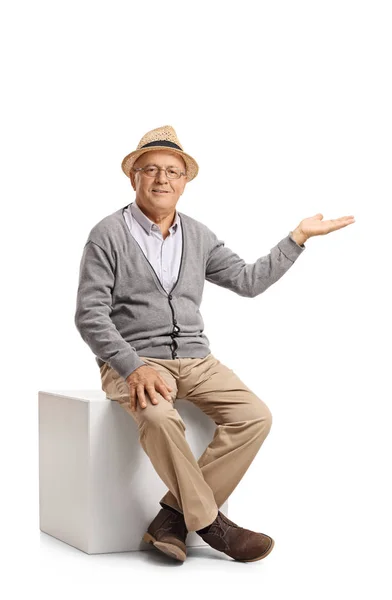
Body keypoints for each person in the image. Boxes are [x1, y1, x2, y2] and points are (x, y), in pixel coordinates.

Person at [74, 125, 355, 563]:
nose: (162, 179)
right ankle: (211, 525)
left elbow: (248, 280)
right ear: (134, 178)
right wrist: (132, 365)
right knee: (160, 418)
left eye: (172, 171)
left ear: (185, 181)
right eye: (150, 169)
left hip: (197, 360)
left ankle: (171, 517)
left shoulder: (199, 235)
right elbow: (89, 315)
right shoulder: (107, 234)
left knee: (254, 416)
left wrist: (296, 238)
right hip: (135, 360)